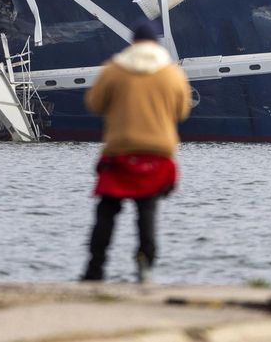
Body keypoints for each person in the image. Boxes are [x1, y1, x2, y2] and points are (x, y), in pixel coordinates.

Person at [81, 20, 191, 283]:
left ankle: (95, 269)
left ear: (133, 42)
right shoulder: (172, 74)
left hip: (120, 151)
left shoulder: (114, 70)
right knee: (147, 212)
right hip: (158, 153)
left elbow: (95, 104)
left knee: (106, 212)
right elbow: (182, 111)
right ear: (156, 44)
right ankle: (145, 267)